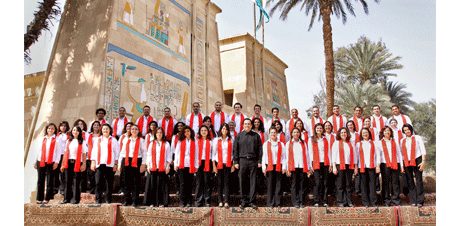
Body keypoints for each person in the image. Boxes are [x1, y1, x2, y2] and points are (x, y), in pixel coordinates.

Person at [233, 118, 263, 209]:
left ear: (251, 125)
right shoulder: (239, 136)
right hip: (242, 161)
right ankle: (243, 201)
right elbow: (235, 150)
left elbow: (260, 149)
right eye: (245, 124)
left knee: (253, 182)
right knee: (242, 181)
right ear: (243, 125)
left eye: (249, 124)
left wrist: (259, 161)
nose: (247, 125)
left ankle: (252, 201)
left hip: (253, 161)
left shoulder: (256, 136)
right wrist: (235, 162)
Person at [90, 124, 120, 204]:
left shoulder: (113, 140)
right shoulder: (98, 139)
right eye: (103, 129)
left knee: (109, 183)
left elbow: (117, 153)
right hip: (100, 163)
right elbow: (94, 151)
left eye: (107, 129)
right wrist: (93, 162)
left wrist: (116, 164)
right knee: (98, 182)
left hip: (110, 164)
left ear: (110, 130)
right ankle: (98, 199)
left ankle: (108, 199)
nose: (105, 130)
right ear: (101, 130)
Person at [118, 124, 146, 206]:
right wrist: (119, 164)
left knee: (135, 182)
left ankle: (135, 201)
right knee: (126, 181)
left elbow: (144, 153)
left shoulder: (141, 140)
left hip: (137, 161)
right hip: (126, 160)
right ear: (130, 130)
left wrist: (143, 164)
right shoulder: (126, 139)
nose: (134, 130)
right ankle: (127, 200)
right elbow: (122, 152)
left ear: (138, 131)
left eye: (136, 129)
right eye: (132, 129)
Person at [34, 123, 62, 204]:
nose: (50, 130)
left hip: (51, 162)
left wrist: (56, 162)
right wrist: (36, 161)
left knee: (49, 181)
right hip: (41, 161)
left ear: (55, 130)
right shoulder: (43, 139)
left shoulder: (57, 139)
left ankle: (47, 198)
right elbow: (39, 151)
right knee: (40, 180)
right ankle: (39, 198)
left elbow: (58, 152)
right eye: (49, 128)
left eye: (52, 128)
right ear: (47, 129)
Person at [143, 127, 171, 207]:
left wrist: (168, 166)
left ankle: (162, 202)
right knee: (152, 185)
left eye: (161, 132)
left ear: (163, 134)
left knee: (162, 186)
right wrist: (148, 165)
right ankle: (152, 202)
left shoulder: (166, 143)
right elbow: (148, 155)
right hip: (152, 167)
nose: (159, 134)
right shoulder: (152, 143)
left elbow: (169, 156)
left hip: (163, 167)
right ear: (155, 134)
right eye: (158, 132)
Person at [60, 126, 88, 204]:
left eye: (77, 130)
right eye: (74, 130)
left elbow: (84, 154)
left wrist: (84, 164)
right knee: (67, 181)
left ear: (79, 132)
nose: (75, 132)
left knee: (76, 181)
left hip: (78, 162)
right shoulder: (68, 141)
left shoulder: (82, 141)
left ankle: (75, 199)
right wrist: (62, 164)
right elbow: (65, 153)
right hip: (68, 162)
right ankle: (66, 199)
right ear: (72, 131)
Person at [377, 126, 404, 206]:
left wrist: (402, 166)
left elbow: (399, 154)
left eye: (388, 131)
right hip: (384, 164)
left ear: (391, 132)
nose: (387, 132)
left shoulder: (395, 142)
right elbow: (378, 155)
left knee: (395, 182)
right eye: (385, 131)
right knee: (385, 182)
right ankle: (386, 200)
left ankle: (395, 199)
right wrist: (378, 165)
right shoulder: (379, 143)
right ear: (383, 133)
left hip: (395, 163)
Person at [401, 124, 427, 207]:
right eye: (405, 130)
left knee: (419, 180)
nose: (407, 131)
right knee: (410, 181)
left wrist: (423, 161)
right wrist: (402, 165)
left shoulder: (417, 137)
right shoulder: (402, 140)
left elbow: (423, 149)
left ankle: (420, 201)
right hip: (407, 161)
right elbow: (401, 154)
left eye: (408, 129)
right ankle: (413, 200)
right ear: (403, 131)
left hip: (417, 159)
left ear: (411, 129)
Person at [331, 127, 358, 207]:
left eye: (345, 132)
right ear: (339, 134)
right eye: (342, 132)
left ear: (347, 134)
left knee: (348, 184)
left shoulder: (351, 143)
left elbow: (355, 156)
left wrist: (356, 166)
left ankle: (349, 201)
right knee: (340, 184)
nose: (343, 134)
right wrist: (334, 166)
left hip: (349, 165)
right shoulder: (336, 143)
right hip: (339, 165)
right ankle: (340, 201)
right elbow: (333, 155)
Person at [174, 126, 199, 207]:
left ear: (191, 132)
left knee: (189, 184)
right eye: (185, 132)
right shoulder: (180, 141)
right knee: (182, 184)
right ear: (183, 133)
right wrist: (176, 164)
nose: (187, 133)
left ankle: (189, 201)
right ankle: (182, 201)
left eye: (188, 131)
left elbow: (196, 154)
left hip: (191, 165)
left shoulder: (194, 141)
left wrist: (196, 165)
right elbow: (177, 153)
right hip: (182, 164)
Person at [285, 127, 311, 208]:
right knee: (294, 185)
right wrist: (287, 168)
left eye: (297, 132)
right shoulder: (288, 143)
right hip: (293, 167)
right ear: (291, 134)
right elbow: (286, 156)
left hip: (302, 166)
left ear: (299, 134)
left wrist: (308, 167)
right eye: (294, 132)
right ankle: (295, 202)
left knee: (301, 185)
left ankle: (301, 201)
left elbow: (307, 155)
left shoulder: (303, 143)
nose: (296, 134)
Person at [262, 127, 286, 208]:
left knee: (278, 185)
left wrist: (284, 167)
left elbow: (284, 157)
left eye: (274, 132)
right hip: (269, 166)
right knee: (270, 185)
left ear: (277, 133)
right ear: (269, 134)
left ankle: (278, 203)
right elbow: (264, 156)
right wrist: (263, 167)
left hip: (278, 166)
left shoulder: (281, 144)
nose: (273, 134)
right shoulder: (266, 144)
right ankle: (270, 203)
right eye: (271, 132)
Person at [308, 123, 331, 207]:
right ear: (315, 129)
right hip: (316, 163)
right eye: (317, 128)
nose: (319, 129)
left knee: (325, 183)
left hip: (325, 163)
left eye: (321, 128)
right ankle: (316, 200)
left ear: (323, 129)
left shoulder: (325, 139)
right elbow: (309, 152)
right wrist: (310, 164)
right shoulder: (311, 139)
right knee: (317, 182)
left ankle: (324, 200)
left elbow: (329, 152)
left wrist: (331, 164)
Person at [357, 128, 380, 207]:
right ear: (361, 134)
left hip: (372, 166)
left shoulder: (374, 143)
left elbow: (378, 156)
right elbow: (356, 157)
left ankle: (373, 202)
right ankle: (365, 202)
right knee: (363, 185)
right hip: (362, 166)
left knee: (372, 185)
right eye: (363, 133)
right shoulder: (358, 144)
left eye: (366, 132)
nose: (365, 134)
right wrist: (356, 167)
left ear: (369, 133)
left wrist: (378, 166)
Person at [212, 123, 233, 208]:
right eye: (223, 128)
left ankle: (226, 201)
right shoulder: (216, 140)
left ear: (228, 131)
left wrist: (232, 164)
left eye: (226, 129)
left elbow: (233, 153)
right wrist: (214, 165)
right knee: (220, 183)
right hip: (219, 163)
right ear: (221, 130)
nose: (224, 130)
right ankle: (220, 201)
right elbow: (213, 154)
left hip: (228, 163)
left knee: (227, 183)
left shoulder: (231, 140)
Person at [195, 125, 214, 207]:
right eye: (202, 130)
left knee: (207, 182)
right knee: (199, 182)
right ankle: (198, 200)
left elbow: (213, 154)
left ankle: (207, 200)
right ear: (199, 132)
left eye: (205, 130)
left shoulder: (210, 142)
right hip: (199, 163)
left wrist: (213, 165)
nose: (203, 132)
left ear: (207, 132)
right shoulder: (196, 141)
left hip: (208, 162)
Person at [82, 121, 101, 194]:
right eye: (94, 125)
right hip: (90, 156)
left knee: (98, 174)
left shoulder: (101, 135)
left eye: (97, 125)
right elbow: (86, 145)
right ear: (92, 126)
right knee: (91, 174)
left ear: (100, 127)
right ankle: (92, 189)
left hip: (99, 156)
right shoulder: (89, 135)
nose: (96, 126)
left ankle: (99, 189)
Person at [117, 122, 133, 195]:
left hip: (133, 157)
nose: (129, 128)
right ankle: (122, 189)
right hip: (124, 156)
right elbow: (119, 148)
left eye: (130, 126)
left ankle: (130, 189)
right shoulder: (122, 136)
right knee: (123, 174)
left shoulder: (134, 136)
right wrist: (119, 161)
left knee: (131, 175)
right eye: (127, 126)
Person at [56, 121, 70, 195]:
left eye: (65, 126)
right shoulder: (56, 135)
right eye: (62, 126)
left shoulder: (69, 135)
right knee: (56, 173)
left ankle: (63, 188)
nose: (63, 127)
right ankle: (56, 188)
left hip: (65, 155)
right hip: (57, 156)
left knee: (63, 173)